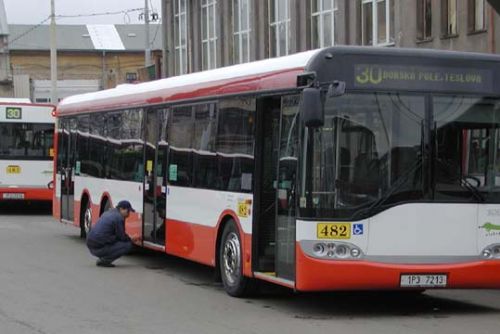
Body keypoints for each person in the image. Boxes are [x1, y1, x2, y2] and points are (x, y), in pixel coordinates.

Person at [86, 200, 135, 267]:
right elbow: (122, 237)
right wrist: (131, 239)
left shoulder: (108, 212)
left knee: (115, 239)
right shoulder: (119, 218)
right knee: (127, 245)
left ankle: (104, 257)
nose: (129, 214)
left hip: (90, 244)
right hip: (98, 248)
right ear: (121, 209)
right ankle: (105, 261)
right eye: (128, 211)